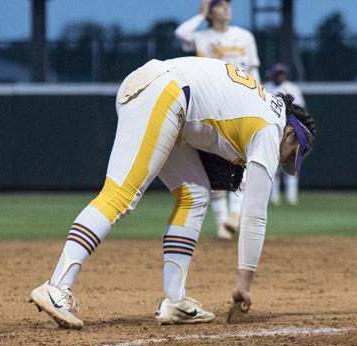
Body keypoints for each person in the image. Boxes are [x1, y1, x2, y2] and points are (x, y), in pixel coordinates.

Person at [29, 57, 316, 329]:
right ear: (291, 134)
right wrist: (244, 283)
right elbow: (254, 217)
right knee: (120, 195)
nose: (283, 161)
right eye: (290, 155)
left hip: (165, 94)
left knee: (196, 194)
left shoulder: (265, 107)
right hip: (165, 93)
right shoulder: (272, 128)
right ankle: (56, 286)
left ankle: (175, 301)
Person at [175, 0, 261, 239]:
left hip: (241, 105)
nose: (227, 9)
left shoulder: (244, 37)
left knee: (241, 163)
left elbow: (254, 72)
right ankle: (224, 222)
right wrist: (201, 15)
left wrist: (260, 100)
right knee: (212, 167)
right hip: (212, 105)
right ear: (211, 12)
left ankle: (234, 216)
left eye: (227, 5)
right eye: (221, 6)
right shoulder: (202, 37)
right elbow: (181, 33)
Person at [264, 63, 306, 205]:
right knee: (273, 166)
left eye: (281, 73)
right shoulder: (265, 88)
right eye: (277, 73)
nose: (279, 76)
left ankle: (291, 198)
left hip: (289, 130)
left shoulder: (292, 88)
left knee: (291, 164)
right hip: (272, 130)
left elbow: (299, 110)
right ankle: (273, 198)